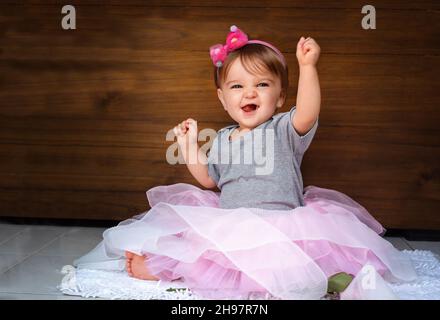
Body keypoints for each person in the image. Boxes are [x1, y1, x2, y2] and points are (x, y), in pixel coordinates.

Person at [73, 25, 417, 300]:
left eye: (262, 84)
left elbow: (309, 112)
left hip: (284, 223)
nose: (249, 93)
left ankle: (325, 284)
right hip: (232, 223)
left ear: (280, 97)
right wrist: (189, 145)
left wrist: (308, 67)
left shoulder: (283, 128)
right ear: (223, 100)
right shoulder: (222, 138)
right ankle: (164, 267)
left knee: (299, 268)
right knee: (207, 256)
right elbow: (209, 181)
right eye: (237, 86)